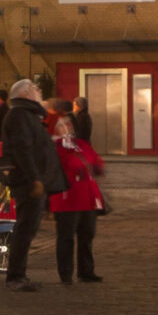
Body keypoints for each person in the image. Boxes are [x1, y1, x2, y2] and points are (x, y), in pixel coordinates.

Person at [0, 78, 65, 292]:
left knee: (28, 228)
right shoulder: (19, 115)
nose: (39, 91)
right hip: (27, 182)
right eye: (35, 88)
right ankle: (15, 276)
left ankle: (19, 275)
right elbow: (23, 149)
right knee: (24, 229)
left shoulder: (27, 115)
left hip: (33, 180)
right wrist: (34, 178)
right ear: (25, 93)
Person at [48, 113, 106, 284]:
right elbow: (66, 164)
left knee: (87, 235)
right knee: (66, 237)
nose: (66, 127)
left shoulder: (80, 144)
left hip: (87, 197)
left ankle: (86, 270)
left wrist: (96, 165)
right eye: (61, 125)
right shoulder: (54, 147)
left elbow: (95, 160)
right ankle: (66, 273)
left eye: (68, 124)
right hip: (66, 198)